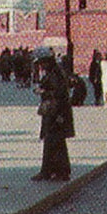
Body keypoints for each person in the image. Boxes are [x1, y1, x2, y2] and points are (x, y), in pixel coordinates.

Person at [32, 48, 74, 181]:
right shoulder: (54, 72)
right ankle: (57, 171)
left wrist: (42, 91)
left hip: (55, 111)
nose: (40, 66)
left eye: (41, 63)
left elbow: (59, 94)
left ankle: (51, 171)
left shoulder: (55, 74)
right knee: (55, 142)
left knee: (52, 141)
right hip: (53, 111)